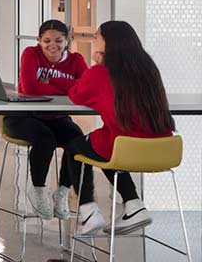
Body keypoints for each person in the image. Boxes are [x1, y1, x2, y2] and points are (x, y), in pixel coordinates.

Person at [65, 20, 175, 236]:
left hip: (124, 147)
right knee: (104, 143)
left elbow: (75, 93)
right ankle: (134, 205)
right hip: (163, 148)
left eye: (97, 36)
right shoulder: (148, 68)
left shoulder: (101, 72)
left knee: (75, 147)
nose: (94, 40)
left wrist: (97, 66)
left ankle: (89, 212)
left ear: (108, 43)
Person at [4, 20, 87, 219]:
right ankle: (38, 190)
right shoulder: (30, 54)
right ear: (39, 41)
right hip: (22, 116)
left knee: (77, 139)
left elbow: (85, 88)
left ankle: (62, 192)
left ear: (67, 40)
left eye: (58, 40)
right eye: (47, 40)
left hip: (56, 118)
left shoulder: (76, 60)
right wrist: (69, 85)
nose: (53, 45)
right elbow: (30, 89)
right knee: (45, 139)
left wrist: (50, 81)